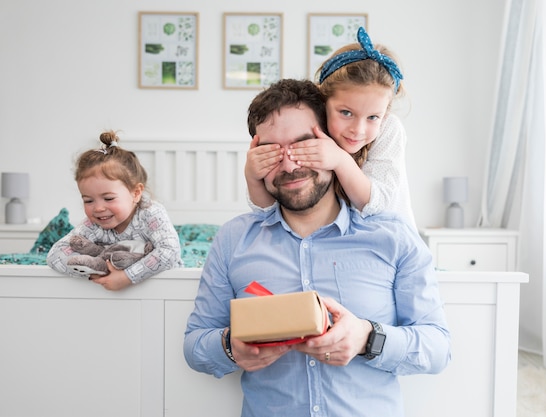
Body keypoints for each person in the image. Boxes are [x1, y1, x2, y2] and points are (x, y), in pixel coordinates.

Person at [184, 79, 450, 416]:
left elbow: (438, 348)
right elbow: (194, 345)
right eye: (271, 153)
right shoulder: (233, 240)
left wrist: (368, 338)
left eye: (304, 146)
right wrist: (229, 346)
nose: (290, 166)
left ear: (334, 145)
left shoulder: (394, 237)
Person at [245, 27, 416, 229]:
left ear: (384, 114)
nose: (358, 129)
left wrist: (340, 160)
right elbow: (268, 212)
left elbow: (376, 205)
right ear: (324, 102)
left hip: (389, 237)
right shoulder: (315, 125)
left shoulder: (388, 129)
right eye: (346, 113)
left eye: (372, 117)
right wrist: (252, 177)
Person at [47, 130, 183, 291]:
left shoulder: (150, 213)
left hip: (166, 287)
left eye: (109, 198)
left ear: (136, 193)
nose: (98, 208)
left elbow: (169, 251)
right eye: (88, 200)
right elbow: (55, 255)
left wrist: (127, 277)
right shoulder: (93, 224)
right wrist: (95, 271)